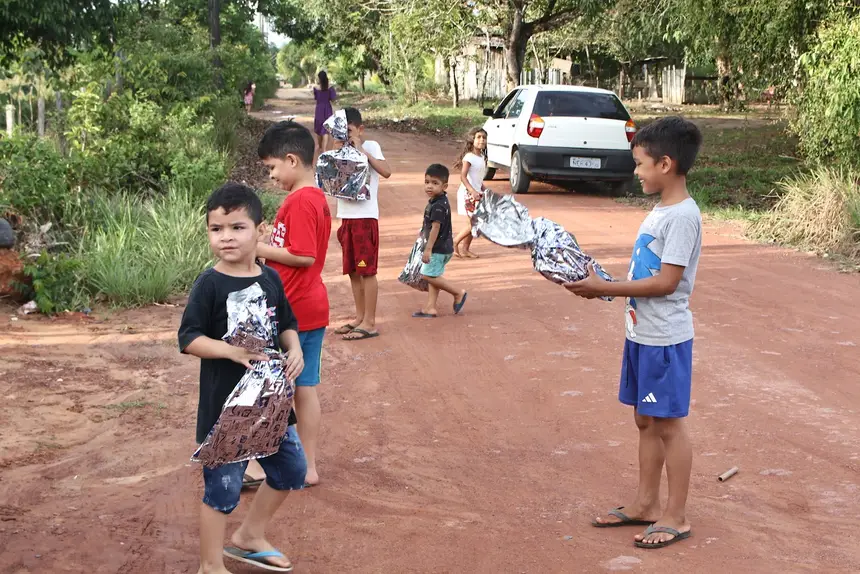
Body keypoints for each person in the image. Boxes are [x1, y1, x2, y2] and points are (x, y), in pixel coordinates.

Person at [564, 116, 703, 550]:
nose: (636, 171)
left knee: (668, 425)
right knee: (645, 420)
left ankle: (676, 515)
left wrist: (607, 289)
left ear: (665, 163)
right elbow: (646, 272)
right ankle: (645, 503)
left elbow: (666, 283)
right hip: (642, 335)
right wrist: (602, 283)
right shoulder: (661, 210)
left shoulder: (682, 216)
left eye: (641, 163)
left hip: (665, 339)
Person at [178, 183, 306, 573]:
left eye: (237, 227)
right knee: (222, 490)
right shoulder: (210, 283)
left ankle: (250, 535)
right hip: (225, 410)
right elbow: (189, 338)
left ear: (260, 230)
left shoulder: (270, 279)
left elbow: (286, 323)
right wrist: (231, 351)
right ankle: (210, 566)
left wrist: (295, 348)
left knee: (292, 470)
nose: (226, 237)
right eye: (216, 229)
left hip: (270, 402)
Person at [246, 120, 331, 489]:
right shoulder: (313, 198)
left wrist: (257, 247)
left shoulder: (300, 201)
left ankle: (257, 465)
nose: (271, 176)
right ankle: (307, 467)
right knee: (304, 386)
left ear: (292, 160)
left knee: (269, 385)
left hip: (291, 309)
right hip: (310, 306)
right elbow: (294, 248)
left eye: (272, 167)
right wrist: (270, 244)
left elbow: (304, 255)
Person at [333, 107, 392, 341]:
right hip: (346, 218)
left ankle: (370, 322)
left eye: (348, 131)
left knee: (366, 270)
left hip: (365, 219)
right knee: (353, 271)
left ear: (360, 129)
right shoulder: (338, 151)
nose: (345, 135)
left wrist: (361, 151)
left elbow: (386, 172)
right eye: (340, 132)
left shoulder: (371, 147)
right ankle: (359, 317)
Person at [411, 164, 468, 318]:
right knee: (433, 276)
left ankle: (458, 293)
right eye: (427, 182)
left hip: (437, 249)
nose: (429, 186)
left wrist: (428, 249)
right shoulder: (440, 201)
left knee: (427, 275)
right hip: (443, 247)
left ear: (444, 186)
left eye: (435, 183)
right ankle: (430, 307)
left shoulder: (437, 206)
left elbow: (435, 228)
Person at [452, 127, 488, 259]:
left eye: (484, 138)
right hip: (468, 193)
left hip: (477, 193)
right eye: (478, 137)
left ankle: (465, 249)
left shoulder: (482, 157)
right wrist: (472, 191)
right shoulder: (469, 157)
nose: (481, 140)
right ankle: (455, 242)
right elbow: (463, 176)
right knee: (473, 223)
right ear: (472, 139)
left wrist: (484, 190)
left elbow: (478, 178)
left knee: (475, 223)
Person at [312, 71, 337, 153]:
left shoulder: (316, 88)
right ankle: (324, 149)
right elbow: (333, 99)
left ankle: (320, 146)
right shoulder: (330, 88)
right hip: (327, 109)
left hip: (319, 109)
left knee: (318, 128)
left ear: (319, 78)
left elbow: (316, 98)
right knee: (326, 129)